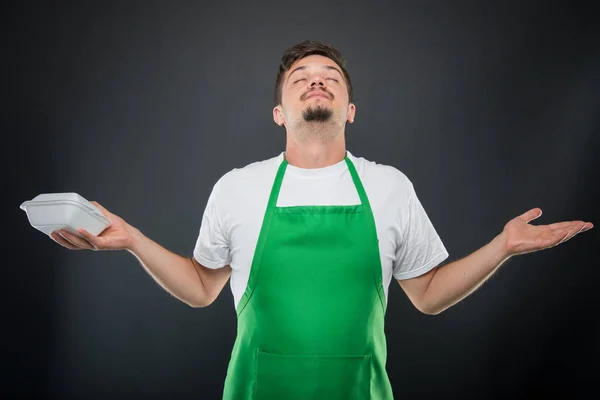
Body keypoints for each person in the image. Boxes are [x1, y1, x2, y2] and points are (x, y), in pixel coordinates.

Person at [50, 40, 593, 399]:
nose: (317, 81)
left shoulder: (389, 186)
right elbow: (200, 287)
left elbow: (427, 294)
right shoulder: (237, 187)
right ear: (279, 113)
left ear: (350, 109)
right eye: (301, 77)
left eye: (330, 76)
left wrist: (501, 246)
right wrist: (135, 242)